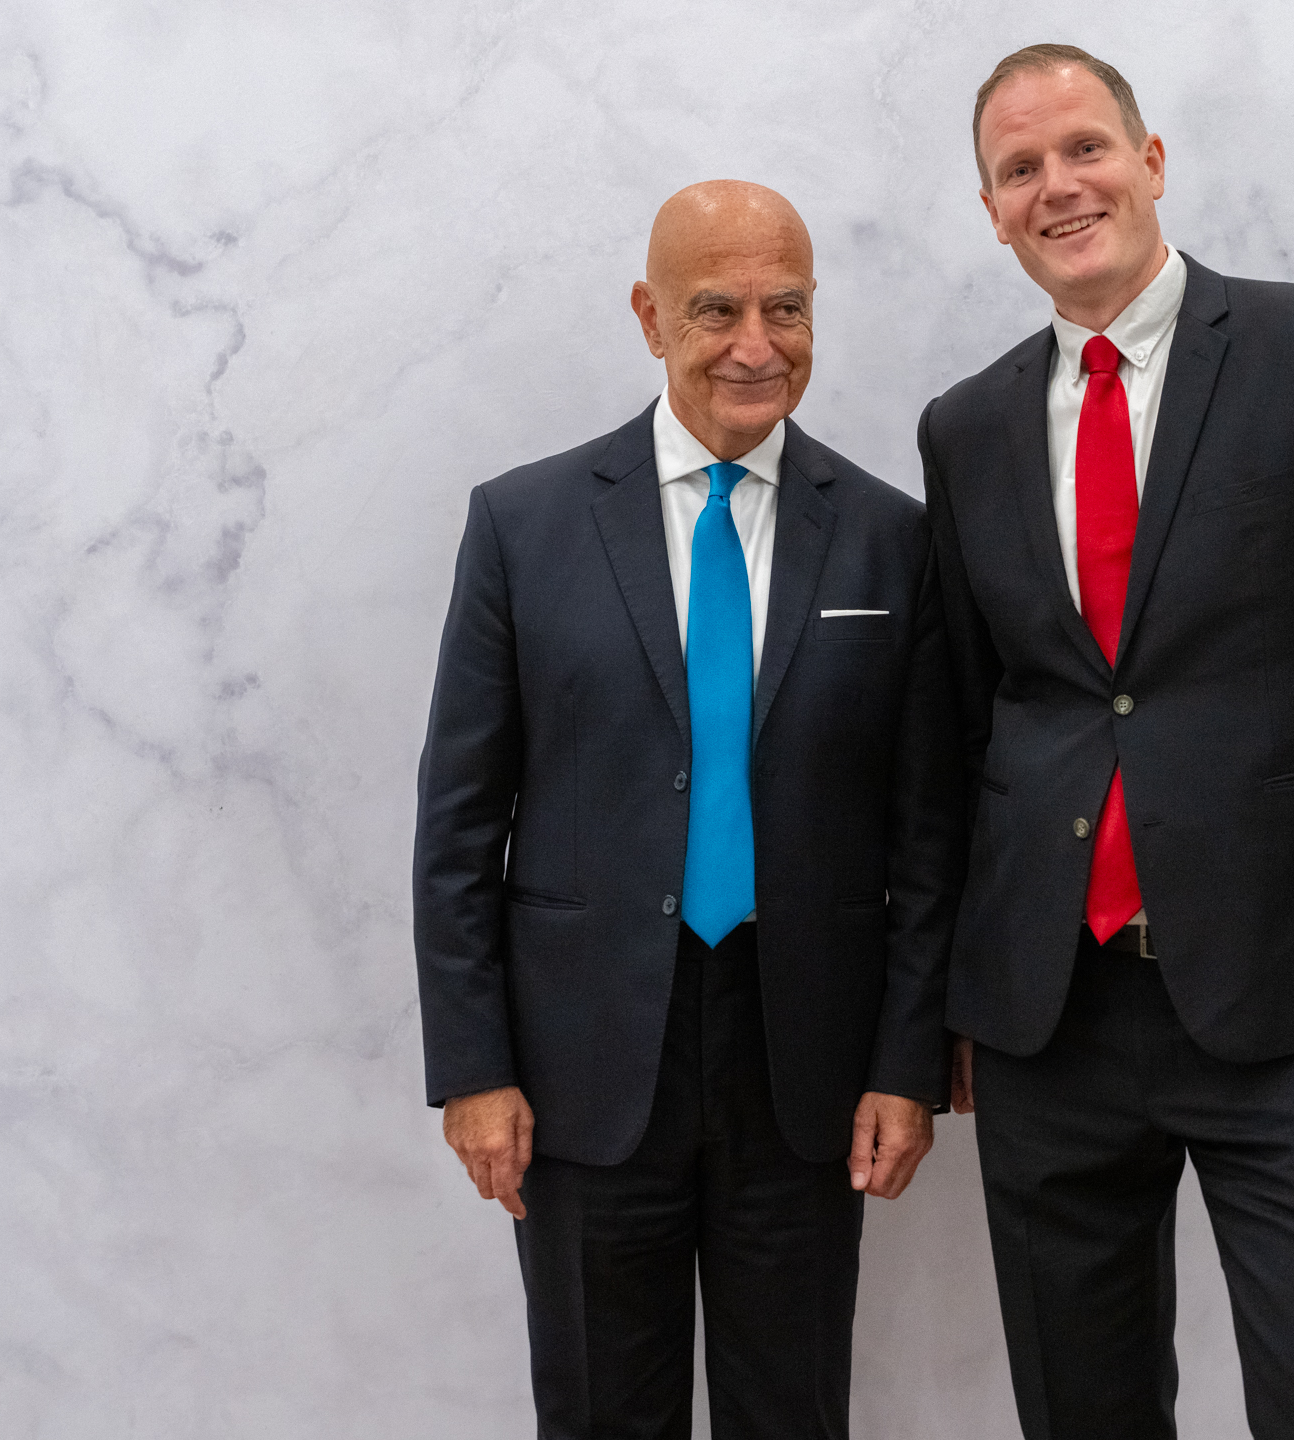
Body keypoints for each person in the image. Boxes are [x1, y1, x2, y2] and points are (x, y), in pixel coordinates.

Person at [922, 45, 1294, 1440]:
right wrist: (949, 1003)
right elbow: (963, 734)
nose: (1059, 186)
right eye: (1019, 169)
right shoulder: (966, 428)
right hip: (1049, 1019)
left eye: (1085, 148)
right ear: (991, 212)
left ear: (1152, 160)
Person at [413, 179, 959, 1439]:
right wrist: (474, 1069)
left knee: (793, 1413)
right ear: (650, 316)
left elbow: (928, 835)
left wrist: (906, 1067)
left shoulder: (892, 538)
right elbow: (458, 825)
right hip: (585, 1066)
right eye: (717, 309)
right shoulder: (523, 524)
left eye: (787, 308)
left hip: (806, 1067)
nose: (755, 345)